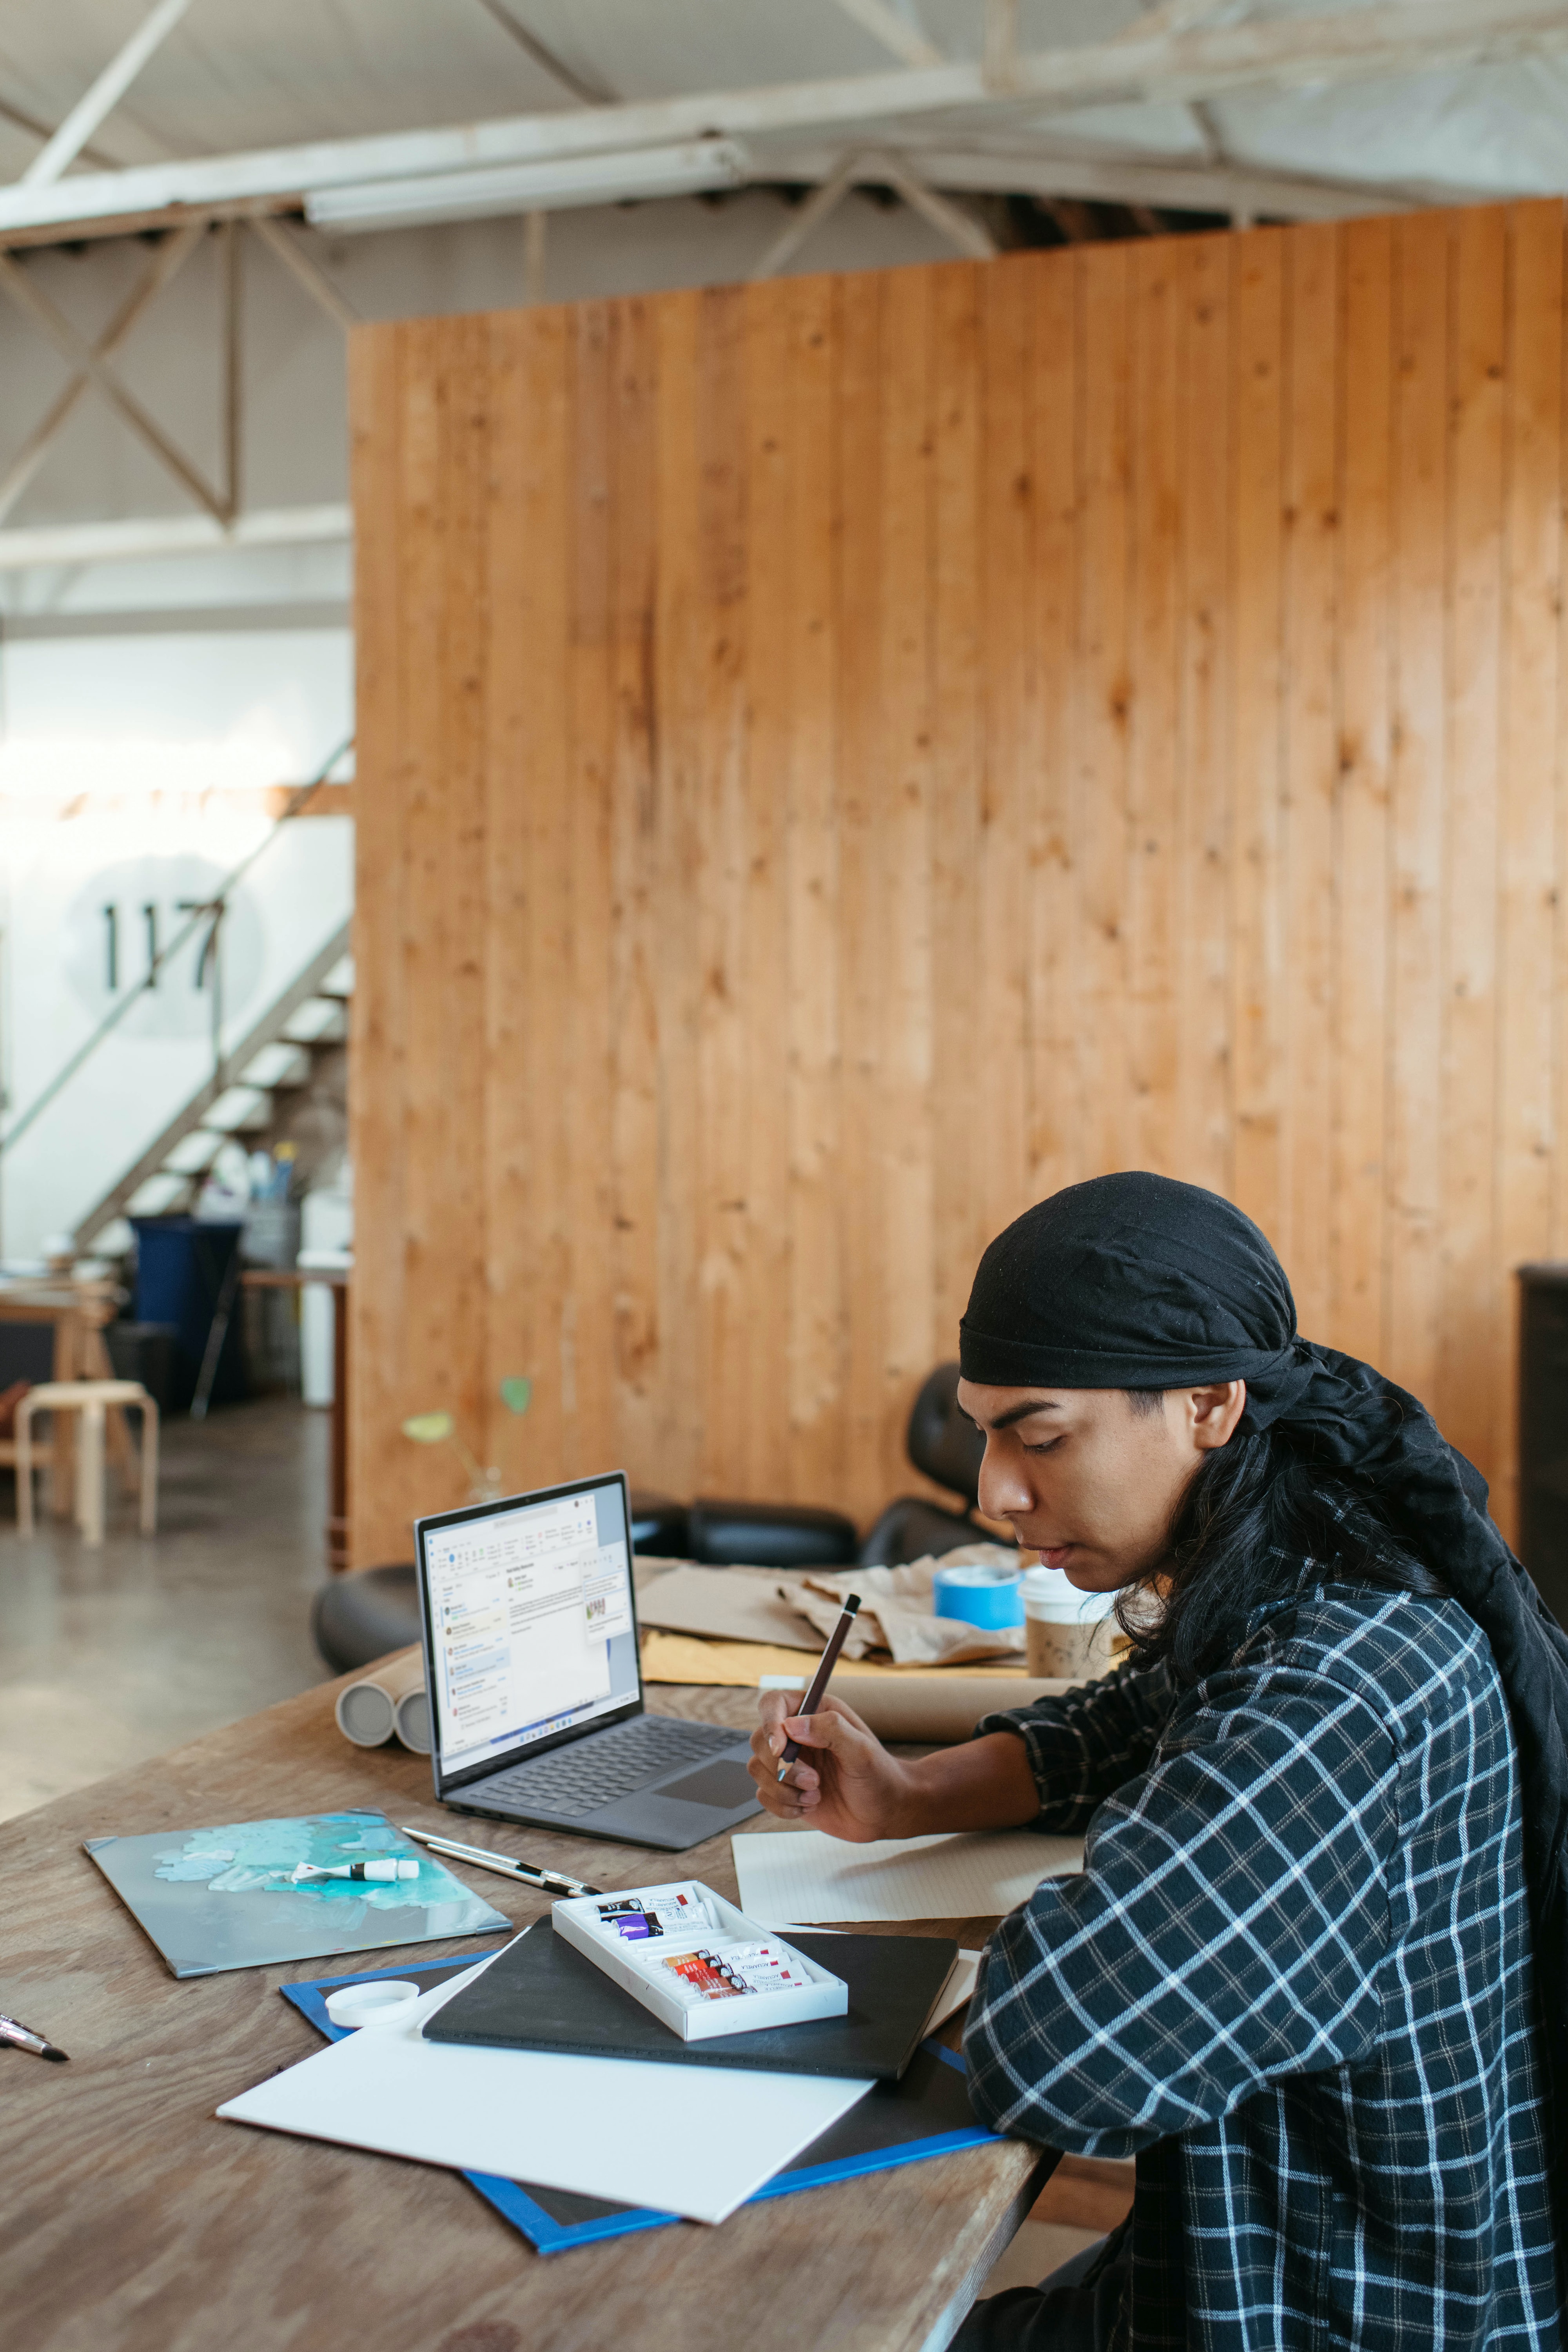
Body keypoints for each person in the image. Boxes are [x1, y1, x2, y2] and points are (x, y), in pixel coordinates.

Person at [749, 1173, 1565, 2351]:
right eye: (987, 1434)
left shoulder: (1335, 1700)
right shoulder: (1306, 1566)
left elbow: (1060, 2053)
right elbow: (1131, 1720)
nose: (995, 1491)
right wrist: (909, 1794)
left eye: (1040, 1437)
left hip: (1325, 2314)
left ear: (1210, 1406)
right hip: (1245, 2252)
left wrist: (1127, 1889)